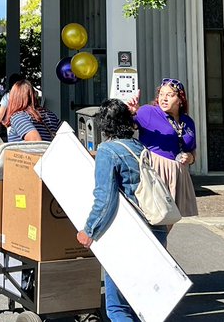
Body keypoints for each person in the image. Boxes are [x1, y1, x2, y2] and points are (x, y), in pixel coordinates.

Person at [76, 99, 168, 322]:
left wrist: (89, 230)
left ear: (104, 125)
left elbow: (105, 199)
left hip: (129, 234)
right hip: (155, 230)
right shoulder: (139, 147)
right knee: (142, 303)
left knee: (117, 308)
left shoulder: (108, 150)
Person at [127, 78, 199, 220]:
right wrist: (131, 113)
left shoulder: (188, 122)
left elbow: (192, 151)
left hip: (177, 173)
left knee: (170, 219)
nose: (164, 99)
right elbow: (128, 126)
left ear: (180, 99)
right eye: (161, 94)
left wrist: (191, 158)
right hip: (156, 170)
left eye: (170, 95)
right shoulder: (148, 112)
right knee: (156, 219)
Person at [0, 72, 24, 141]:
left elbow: (1, 113)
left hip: (11, 124)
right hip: (26, 123)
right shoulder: (25, 95)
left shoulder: (8, 96)